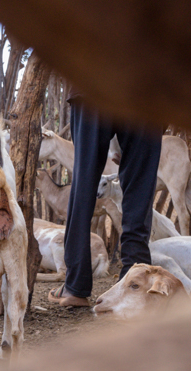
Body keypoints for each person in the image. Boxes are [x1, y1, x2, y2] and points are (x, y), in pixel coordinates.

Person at [48, 91, 162, 307]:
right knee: (140, 186)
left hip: (92, 80)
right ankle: (135, 281)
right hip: (148, 87)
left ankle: (75, 286)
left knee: (84, 182)